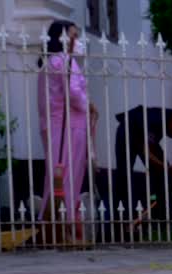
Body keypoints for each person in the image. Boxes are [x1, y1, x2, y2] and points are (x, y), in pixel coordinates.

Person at [38, 20, 98, 246]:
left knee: (55, 177)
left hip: (55, 126)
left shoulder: (48, 63)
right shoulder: (64, 60)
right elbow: (73, 92)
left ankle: (52, 228)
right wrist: (88, 105)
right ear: (61, 38)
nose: (77, 41)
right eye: (73, 36)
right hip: (69, 127)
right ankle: (63, 230)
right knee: (68, 179)